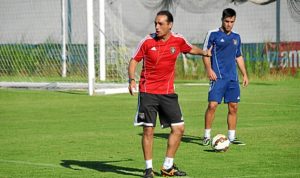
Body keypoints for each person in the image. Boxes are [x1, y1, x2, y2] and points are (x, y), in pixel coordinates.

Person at [128, 10, 211, 178]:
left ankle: (167, 167)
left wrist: (204, 52)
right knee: (148, 131)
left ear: (170, 25)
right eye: (155, 24)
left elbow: (189, 49)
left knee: (179, 128)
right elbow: (134, 60)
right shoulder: (147, 41)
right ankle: (148, 170)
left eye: (161, 24)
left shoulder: (178, 40)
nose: (157, 27)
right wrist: (131, 79)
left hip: (167, 93)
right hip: (148, 92)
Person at [201, 8, 249, 146]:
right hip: (218, 77)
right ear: (222, 20)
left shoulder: (236, 37)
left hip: (232, 78)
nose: (229, 24)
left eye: (232, 22)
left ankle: (232, 137)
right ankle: (206, 136)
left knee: (233, 107)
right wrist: (209, 69)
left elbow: (238, 56)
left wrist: (244, 74)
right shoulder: (213, 34)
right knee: (212, 105)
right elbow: (206, 54)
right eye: (227, 21)